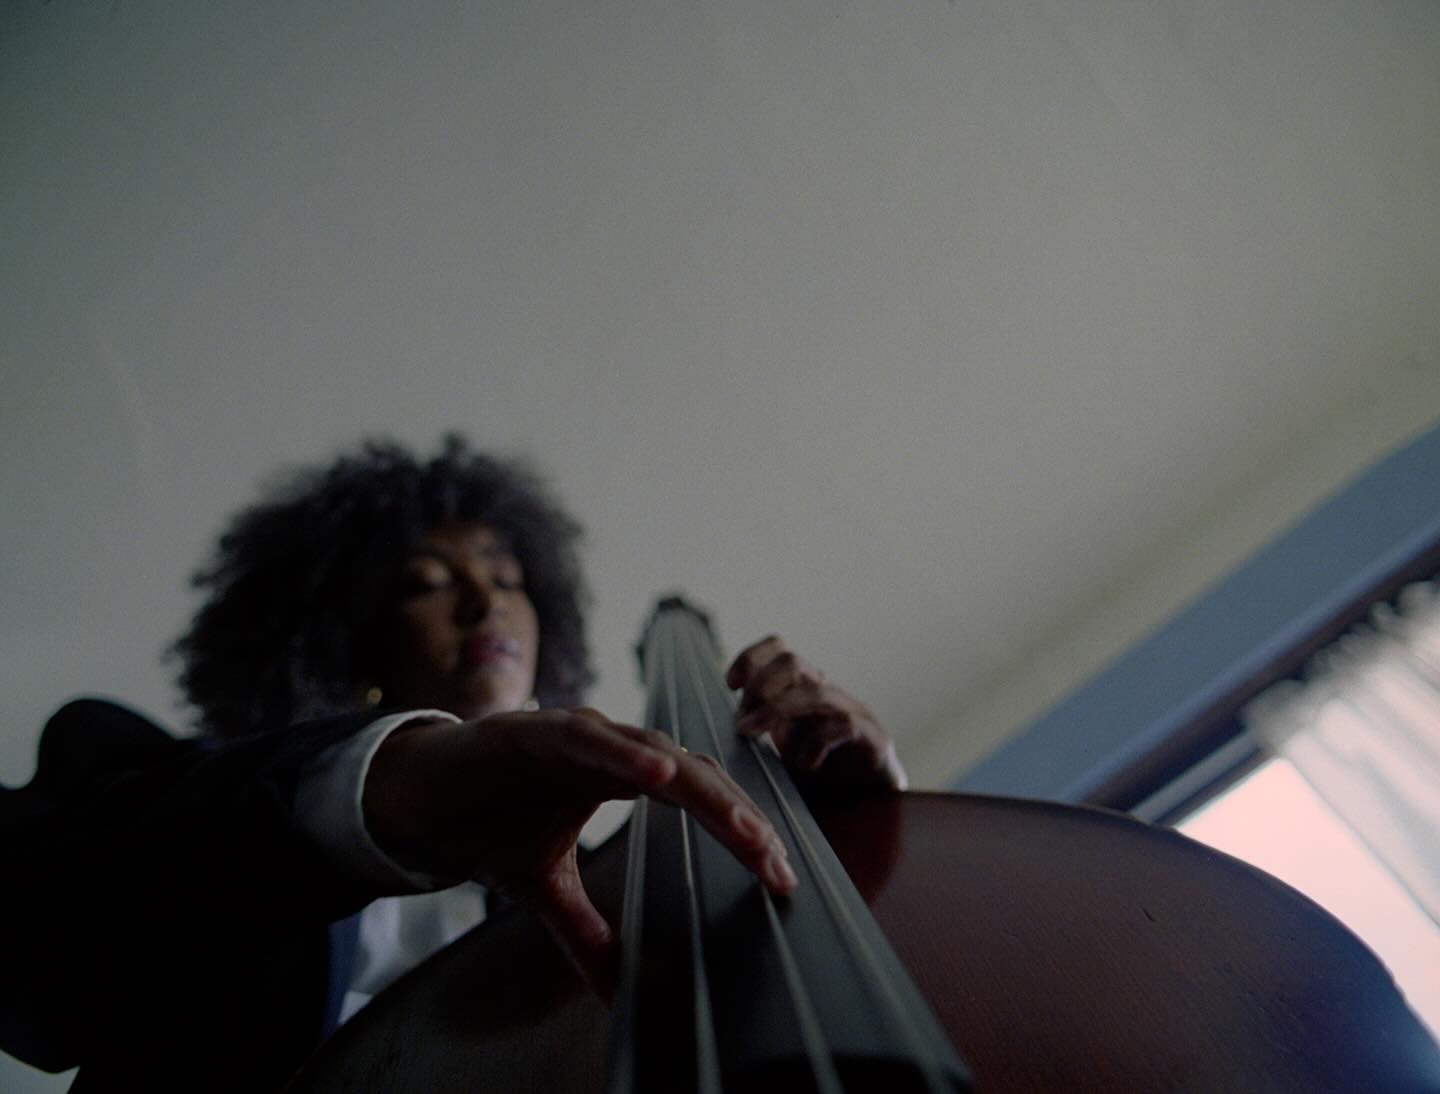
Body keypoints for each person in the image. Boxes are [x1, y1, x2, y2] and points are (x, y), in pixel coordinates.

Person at [0, 435, 905, 1093]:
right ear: (349, 644)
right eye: (427, 582)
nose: (485, 601)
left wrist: (859, 830)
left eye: (509, 579)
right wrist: (392, 783)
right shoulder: (155, 784)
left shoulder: (631, 890)